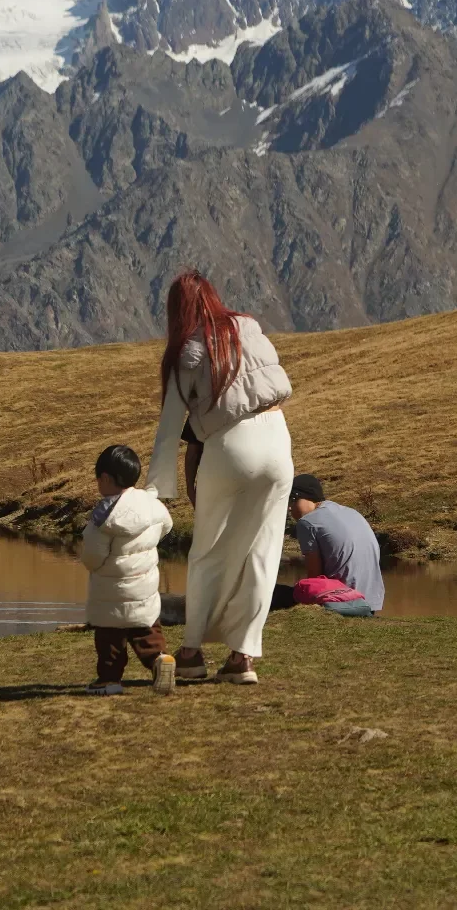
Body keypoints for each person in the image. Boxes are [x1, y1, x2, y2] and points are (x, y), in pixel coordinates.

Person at [146, 270, 295, 685]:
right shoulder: (250, 328)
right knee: (263, 552)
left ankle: (192, 652)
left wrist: (158, 491)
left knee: (209, 550)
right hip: (278, 440)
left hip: (230, 445)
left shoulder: (186, 351)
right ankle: (243, 658)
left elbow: (170, 427)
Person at [78, 445, 177, 696]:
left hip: (111, 588)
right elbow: (166, 525)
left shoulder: (104, 516)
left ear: (106, 478)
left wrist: (93, 565)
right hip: (144, 585)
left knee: (110, 636)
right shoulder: (151, 504)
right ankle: (159, 659)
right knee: (146, 628)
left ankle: (109, 679)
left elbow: (93, 555)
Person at [281, 475, 384, 616]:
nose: (288, 508)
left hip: (340, 602)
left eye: (292, 500)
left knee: (276, 593)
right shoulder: (351, 512)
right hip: (371, 600)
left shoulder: (307, 522)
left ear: (306, 497)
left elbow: (314, 577)